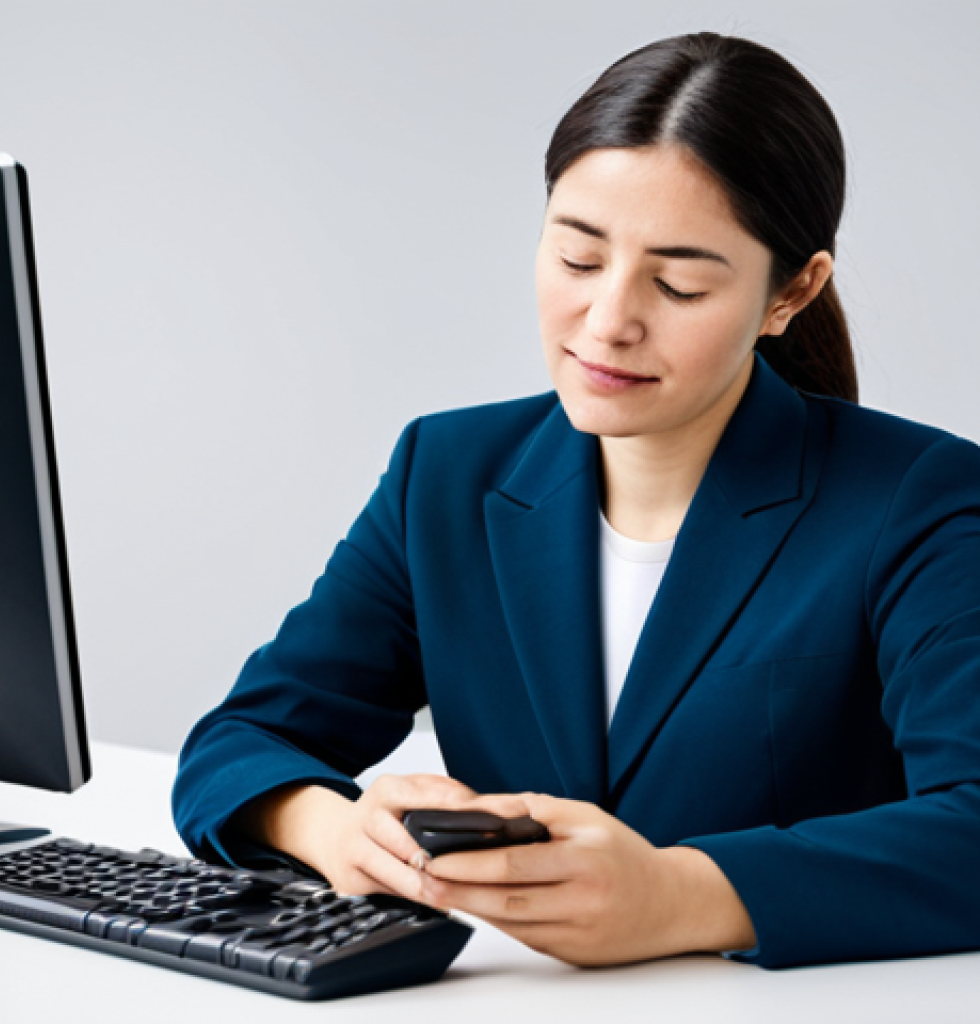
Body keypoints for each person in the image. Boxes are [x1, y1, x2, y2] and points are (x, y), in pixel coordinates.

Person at [172, 32, 980, 970]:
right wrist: (332, 829)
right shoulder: (448, 471)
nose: (609, 323)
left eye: (678, 282)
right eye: (578, 258)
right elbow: (241, 738)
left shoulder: (920, 502)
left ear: (790, 292)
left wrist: (684, 895)